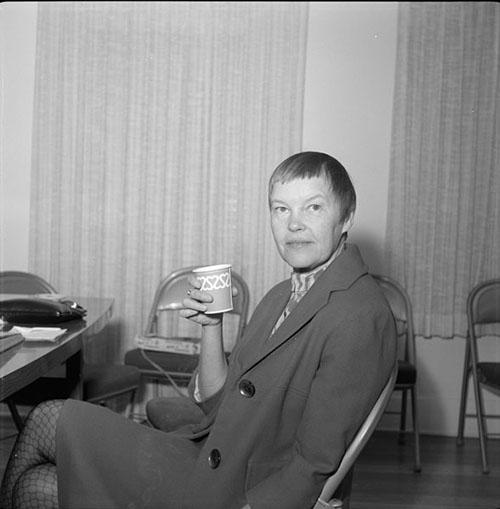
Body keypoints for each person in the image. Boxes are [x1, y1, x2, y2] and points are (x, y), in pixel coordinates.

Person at [0, 151, 396, 509]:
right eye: (280, 209)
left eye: (313, 207)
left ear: (346, 216)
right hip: (207, 451)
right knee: (44, 433)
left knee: (41, 466)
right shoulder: (280, 296)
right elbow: (217, 403)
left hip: (239, 488)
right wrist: (212, 328)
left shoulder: (360, 314)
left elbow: (315, 462)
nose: (294, 224)